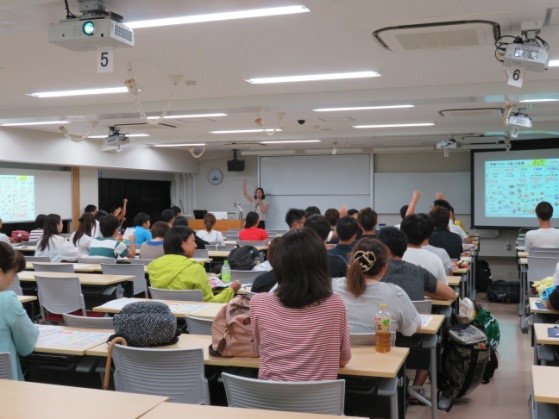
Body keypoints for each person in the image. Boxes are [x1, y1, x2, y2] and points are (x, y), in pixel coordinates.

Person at [250, 229, 351, 381]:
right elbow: (343, 359)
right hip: (320, 402)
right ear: (322, 264)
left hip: (269, 400)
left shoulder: (258, 303)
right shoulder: (334, 304)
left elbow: (260, 350)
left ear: (279, 264)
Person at [332, 238, 421, 335]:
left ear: (351, 263)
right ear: (384, 269)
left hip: (339, 350)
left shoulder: (333, 287)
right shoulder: (396, 294)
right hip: (382, 349)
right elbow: (412, 329)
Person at [147, 226, 240, 302]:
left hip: (166, 318)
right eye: (193, 241)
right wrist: (231, 289)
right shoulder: (195, 269)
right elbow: (210, 303)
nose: (196, 245)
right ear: (182, 244)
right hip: (193, 318)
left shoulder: (153, 266)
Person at [377, 227, 456, 301]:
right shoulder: (420, 272)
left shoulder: (375, 273)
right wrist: (422, 290)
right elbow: (451, 294)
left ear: (386, 250)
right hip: (418, 314)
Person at [0, 243, 39, 380]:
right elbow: (26, 346)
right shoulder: (7, 301)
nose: (13, 279)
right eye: (13, 273)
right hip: (7, 392)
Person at [401, 214, 448, 284]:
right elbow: (444, 287)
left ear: (402, 233)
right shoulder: (435, 259)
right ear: (427, 234)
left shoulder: (395, 258)